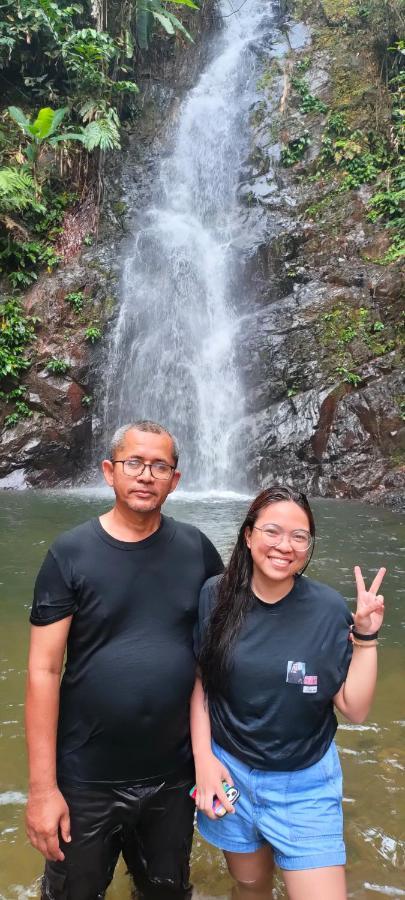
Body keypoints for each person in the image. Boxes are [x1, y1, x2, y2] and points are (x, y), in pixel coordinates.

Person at [25, 420, 224, 900]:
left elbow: (222, 648)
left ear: (175, 480)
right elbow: (43, 670)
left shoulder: (198, 550)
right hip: (86, 776)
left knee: (166, 892)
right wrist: (42, 790)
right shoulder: (69, 553)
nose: (146, 475)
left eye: (160, 466)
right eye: (134, 463)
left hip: (172, 777)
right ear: (109, 471)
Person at [190, 485, 385, 900]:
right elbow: (203, 685)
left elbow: (354, 709)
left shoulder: (328, 609)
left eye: (299, 537)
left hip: (305, 781)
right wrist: (204, 761)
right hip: (231, 773)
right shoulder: (216, 597)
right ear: (248, 534)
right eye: (273, 531)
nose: (285, 546)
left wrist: (366, 637)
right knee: (249, 886)